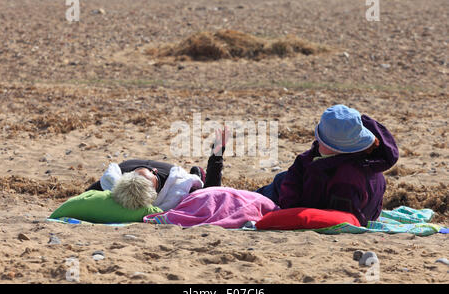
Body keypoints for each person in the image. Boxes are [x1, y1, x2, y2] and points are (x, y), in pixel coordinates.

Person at [256, 104, 399, 226]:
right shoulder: (367, 159)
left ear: (337, 148)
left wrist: (289, 206)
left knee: (269, 191)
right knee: (280, 179)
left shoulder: (346, 178)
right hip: (357, 209)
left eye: (321, 140)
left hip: (303, 205)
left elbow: (338, 216)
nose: (317, 141)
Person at [86, 127, 229, 210]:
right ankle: (197, 176)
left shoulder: (113, 182)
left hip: (129, 165)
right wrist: (217, 153)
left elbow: (85, 195)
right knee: (199, 183)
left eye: (137, 173)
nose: (149, 169)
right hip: (175, 175)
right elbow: (212, 194)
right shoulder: (176, 190)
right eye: (152, 175)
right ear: (157, 191)